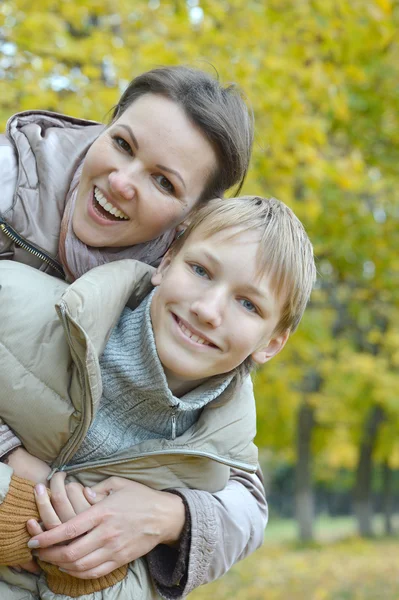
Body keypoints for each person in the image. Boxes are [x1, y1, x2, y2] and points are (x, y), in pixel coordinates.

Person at [0, 65, 266, 599]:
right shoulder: (11, 181)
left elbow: (244, 492)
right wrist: (13, 460)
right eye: (122, 144)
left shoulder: (180, 294)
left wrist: (170, 516)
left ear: (190, 220)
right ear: (108, 123)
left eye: (163, 181)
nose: (122, 182)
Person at [0, 195, 316, 599]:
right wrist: (12, 484)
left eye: (248, 304)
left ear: (271, 343)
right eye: (200, 270)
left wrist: (89, 580)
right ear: (166, 263)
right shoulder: (19, 302)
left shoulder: (216, 466)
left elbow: (242, 522)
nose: (208, 309)